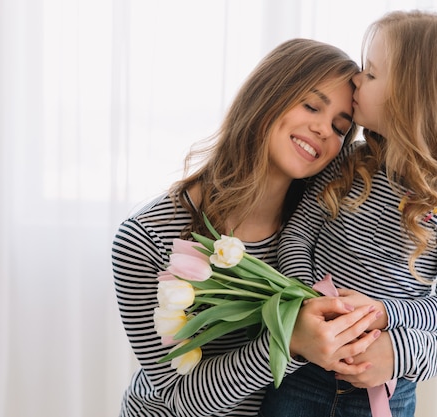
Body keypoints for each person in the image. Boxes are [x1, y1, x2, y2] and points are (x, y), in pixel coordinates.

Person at [111, 38, 384, 417]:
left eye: (341, 128)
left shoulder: (325, 230)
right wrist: (289, 340)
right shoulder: (147, 237)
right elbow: (179, 399)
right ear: (267, 95)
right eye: (310, 105)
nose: (324, 130)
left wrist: (392, 353)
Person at [259, 10, 437, 417]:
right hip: (300, 374)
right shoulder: (348, 164)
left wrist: (383, 314)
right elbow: (298, 236)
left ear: (415, 98)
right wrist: (305, 302)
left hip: (381, 386)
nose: (356, 79)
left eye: (371, 74)